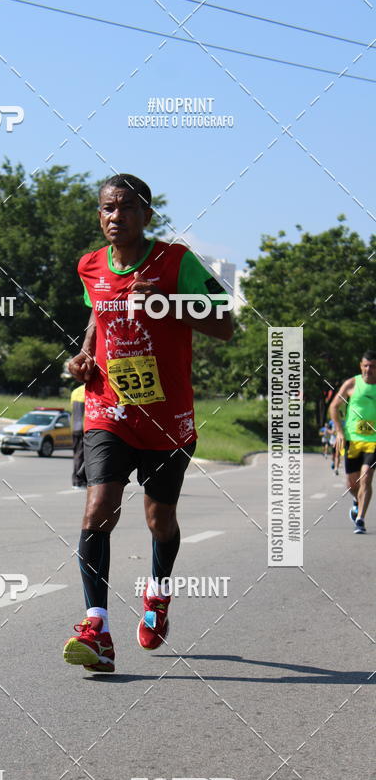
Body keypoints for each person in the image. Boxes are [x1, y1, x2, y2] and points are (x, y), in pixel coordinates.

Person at [63, 173, 233, 673]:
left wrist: (166, 301)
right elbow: (99, 315)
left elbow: (224, 324)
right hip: (107, 408)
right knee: (98, 510)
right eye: (106, 209)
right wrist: (84, 355)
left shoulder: (176, 261)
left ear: (147, 215)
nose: (115, 217)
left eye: (125, 208)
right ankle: (97, 629)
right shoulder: (90, 265)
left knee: (159, 520)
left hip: (167, 418)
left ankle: (158, 593)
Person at [329, 350, 376, 534]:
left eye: (372, 366)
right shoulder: (352, 384)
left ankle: (360, 520)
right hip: (352, 440)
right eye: (365, 365)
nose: (368, 369)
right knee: (352, 484)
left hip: (373, 441)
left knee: (366, 477)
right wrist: (339, 432)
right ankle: (357, 501)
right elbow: (334, 406)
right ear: (360, 365)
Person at [70, 383, 87, 488]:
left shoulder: (75, 391)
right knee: (83, 456)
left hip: (75, 427)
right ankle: (79, 480)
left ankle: (78, 480)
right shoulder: (90, 390)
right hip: (85, 427)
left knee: (78, 455)